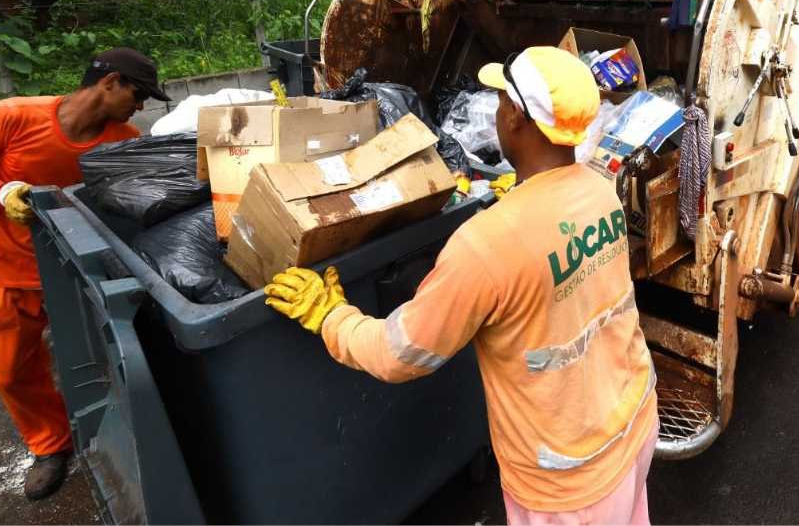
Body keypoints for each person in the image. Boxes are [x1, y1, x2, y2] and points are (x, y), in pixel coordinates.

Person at [266, 46, 658, 525]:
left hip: (568, 482)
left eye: (499, 100)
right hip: (634, 421)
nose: (495, 110)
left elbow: (400, 354)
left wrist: (331, 316)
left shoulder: (486, 247)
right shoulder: (599, 189)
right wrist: (517, 199)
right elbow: (559, 262)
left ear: (516, 116)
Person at [0, 47, 169, 500]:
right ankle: (49, 444)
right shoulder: (12, 117)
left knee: (106, 362)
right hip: (3, 269)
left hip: (78, 273)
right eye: (138, 96)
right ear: (110, 82)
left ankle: (107, 432)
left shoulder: (124, 138)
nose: (140, 108)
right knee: (12, 371)